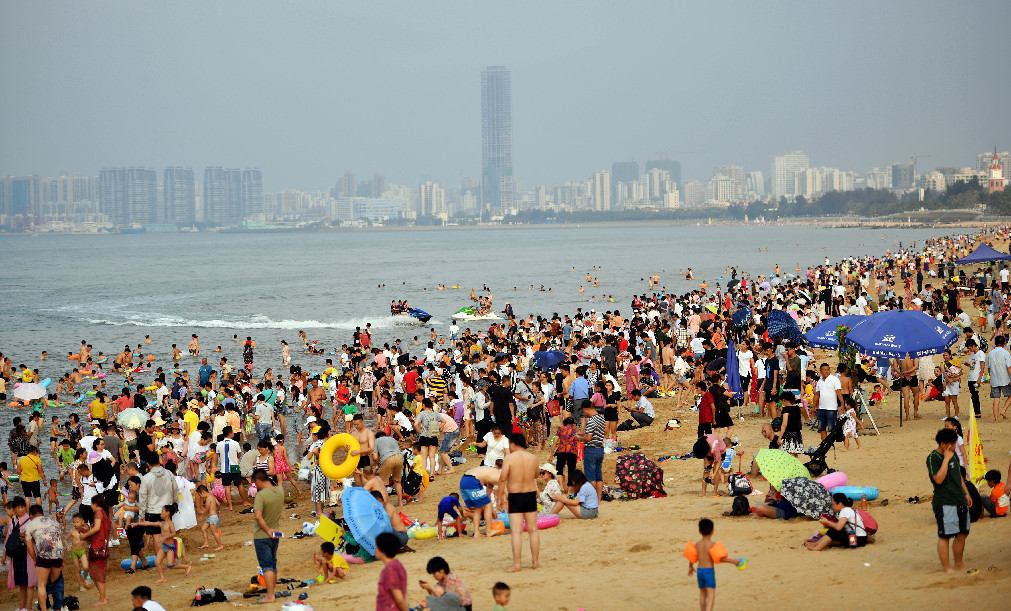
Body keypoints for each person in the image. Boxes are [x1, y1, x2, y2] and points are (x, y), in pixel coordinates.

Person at [927, 428, 973, 573]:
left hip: (959, 499)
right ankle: (947, 568)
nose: (954, 446)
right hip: (945, 502)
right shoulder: (933, 458)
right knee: (945, 535)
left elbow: (959, 476)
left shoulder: (953, 455)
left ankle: (958, 563)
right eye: (952, 444)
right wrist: (946, 459)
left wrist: (966, 493)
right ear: (943, 444)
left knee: (963, 533)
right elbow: (938, 479)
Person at [498, 433, 540, 573]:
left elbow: (502, 479)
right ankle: (535, 562)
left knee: (516, 532)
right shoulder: (533, 458)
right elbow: (536, 475)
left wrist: (499, 498)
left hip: (515, 496)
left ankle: (517, 564)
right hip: (530, 494)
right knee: (533, 530)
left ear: (513, 444)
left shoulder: (509, 458)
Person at [684, 518, 746, 611]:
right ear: (712, 531)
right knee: (711, 594)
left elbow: (692, 557)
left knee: (702, 594)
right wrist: (734, 561)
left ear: (699, 531)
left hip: (700, 571)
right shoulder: (712, 544)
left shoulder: (697, 544)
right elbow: (721, 558)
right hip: (708, 571)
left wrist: (690, 567)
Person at [134, 505, 191, 584]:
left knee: (170, 565)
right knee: (157, 562)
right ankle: (162, 578)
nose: (160, 513)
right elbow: (149, 523)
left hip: (170, 548)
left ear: (167, 513)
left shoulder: (170, 524)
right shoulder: (162, 523)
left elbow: (174, 533)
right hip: (164, 546)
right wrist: (137, 524)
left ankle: (187, 567)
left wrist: (164, 537)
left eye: (162, 511)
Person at [251, 469, 283, 603]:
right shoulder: (280, 491)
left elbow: (258, 516)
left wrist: (267, 530)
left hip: (262, 534)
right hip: (276, 532)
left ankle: (270, 596)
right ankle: (272, 592)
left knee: (267, 566)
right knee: (273, 564)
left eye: (255, 483)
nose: (255, 486)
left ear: (258, 481)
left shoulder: (261, 495)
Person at [80, 494, 110, 606]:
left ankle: (103, 599)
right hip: (101, 546)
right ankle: (103, 595)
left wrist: (85, 535)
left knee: (98, 574)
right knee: (93, 574)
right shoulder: (104, 514)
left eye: (91, 504)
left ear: (95, 504)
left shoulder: (98, 513)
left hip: (98, 547)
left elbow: (96, 528)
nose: (91, 506)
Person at [459, 466, 500, 538]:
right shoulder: (500, 477)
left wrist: (492, 511)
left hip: (464, 480)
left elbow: (487, 496)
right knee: (487, 505)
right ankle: (489, 531)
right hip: (473, 480)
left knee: (478, 508)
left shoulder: (491, 478)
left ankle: (477, 533)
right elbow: (507, 492)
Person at [579, 401, 606, 504]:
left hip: (591, 449)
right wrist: (583, 435)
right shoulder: (601, 418)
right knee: (598, 476)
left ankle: (592, 500)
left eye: (583, 411)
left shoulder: (591, 420)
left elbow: (588, 438)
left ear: (586, 409)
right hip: (600, 448)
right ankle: (598, 500)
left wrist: (579, 438)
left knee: (590, 476)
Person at [375, 531, 408, 611]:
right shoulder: (398, 565)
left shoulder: (390, 570)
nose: (375, 549)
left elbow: (399, 599)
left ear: (382, 549)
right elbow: (404, 594)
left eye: (377, 546)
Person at [813, 362, 843, 441]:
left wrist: (842, 404)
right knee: (821, 428)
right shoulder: (819, 381)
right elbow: (817, 395)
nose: (826, 371)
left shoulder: (834, 380)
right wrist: (813, 406)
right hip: (822, 408)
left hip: (831, 408)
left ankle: (830, 443)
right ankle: (824, 443)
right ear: (821, 371)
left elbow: (839, 393)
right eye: (824, 370)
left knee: (831, 428)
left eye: (828, 370)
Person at [65, 513, 91, 592]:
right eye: (73, 522)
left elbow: (89, 541)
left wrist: (87, 540)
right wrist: (67, 546)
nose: (75, 524)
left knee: (86, 567)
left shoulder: (85, 531)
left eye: (77, 522)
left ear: (82, 522)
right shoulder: (72, 532)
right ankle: (80, 585)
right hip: (74, 552)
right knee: (77, 569)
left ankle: (85, 579)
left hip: (82, 551)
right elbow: (65, 539)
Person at [195, 484, 223, 551]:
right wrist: (218, 510)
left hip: (212, 517)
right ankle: (206, 543)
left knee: (214, 532)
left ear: (203, 492)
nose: (200, 497)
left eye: (200, 495)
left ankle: (220, 545)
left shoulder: (208, 499)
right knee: (203, 529)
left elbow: (207, 509)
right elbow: (218, 504)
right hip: (211, 517)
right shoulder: (212, 497)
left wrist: (202, 516)